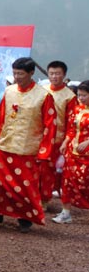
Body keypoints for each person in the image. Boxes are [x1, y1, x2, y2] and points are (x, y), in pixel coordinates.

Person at [0, 57, 57, 233]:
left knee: (24, 185)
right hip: (4, 144)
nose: (17, 77)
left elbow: (50, 126)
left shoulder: (43, 96)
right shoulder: (10, 91)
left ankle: (25, 217)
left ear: (31, 73)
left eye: (20, 73)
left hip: (27, 149)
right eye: (15, 73)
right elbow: (0, 117)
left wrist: (44, 152)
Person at [40, 61, 77, 208]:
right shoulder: (42, 91)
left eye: (58, 73)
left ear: (64, 75)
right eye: (52, 73)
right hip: (40, 137)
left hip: (57, 139)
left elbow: (71, 122)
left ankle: (45, 199)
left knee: (50, 171)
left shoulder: (69, 96)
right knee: (38, 169)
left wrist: (66, 141)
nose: (54, 76)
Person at [52, 80, 89, 224]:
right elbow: (71, 129)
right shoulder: (77, 109)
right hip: (72, 152)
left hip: (86, 155)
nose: (81, 98)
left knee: (84, 183)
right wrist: (66, 142)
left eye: (85, 95)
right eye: (79, 95)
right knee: (66, 182)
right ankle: (65, 212)